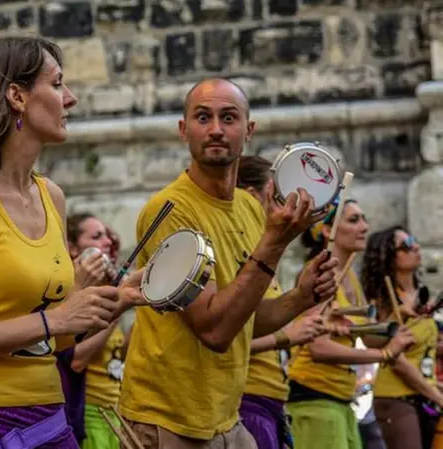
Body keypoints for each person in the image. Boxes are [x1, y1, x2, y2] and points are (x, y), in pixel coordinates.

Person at [0, 35, 144, 448]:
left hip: (50, 416)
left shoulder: (51, 196)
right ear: (17, 96)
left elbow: (54, 339)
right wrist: (53, 320)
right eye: (56, 84)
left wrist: (113, 301)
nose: (69, 99)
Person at [118, 77, 340, 448]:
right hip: (165, 420)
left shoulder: (250, 208)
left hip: (226, 419)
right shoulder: (170, 210)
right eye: (203, 118)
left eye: (229, 118)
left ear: (249, 130)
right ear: (183, 129)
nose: (216, 129)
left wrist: (302, 297)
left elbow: (244, 320)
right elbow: (215, 330)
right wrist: (274, 243)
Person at [286, 201, 415, 449]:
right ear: (327, 231)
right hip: (315, 401)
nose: (365, 227)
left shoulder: (349, 276)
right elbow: (318, 348)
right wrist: (385, 354)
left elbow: (368, 336)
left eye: (364, 219)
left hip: (341, 401)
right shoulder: (319, 274)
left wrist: (398, 322)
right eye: (354, 220)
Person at [235, 155, 329, 449]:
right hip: (247, 402)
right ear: (251, 197)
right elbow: (226, 336)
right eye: (276, 198)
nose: (285, 210)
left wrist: (302, 298)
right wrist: (287, 336)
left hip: (272, 400)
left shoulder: (265, 255)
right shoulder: (240, 256)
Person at [365, 226, 442, 449]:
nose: (416, 246)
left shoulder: (421, 296)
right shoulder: (382, 300)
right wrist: (437, 396)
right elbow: (396, 360)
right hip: (395, 397)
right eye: (406, 244)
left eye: (415, 240)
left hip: (422, 393)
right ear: (388, 256)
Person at [57, 212, 130, 449]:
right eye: (97, 236)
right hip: (89, 415)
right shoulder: (76, 294)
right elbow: (76, 360)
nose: (107, 242)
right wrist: (119, 308)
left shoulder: (108, 288)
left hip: (114, 412)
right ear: (72, 248)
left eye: (108, 236)